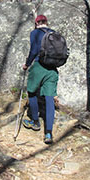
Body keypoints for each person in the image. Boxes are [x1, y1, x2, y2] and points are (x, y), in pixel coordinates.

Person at [22, 14, 58, 144]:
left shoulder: (35, 33)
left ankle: (35, 121)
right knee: (49, 99)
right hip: (53, 69)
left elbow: (33, 51)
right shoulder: (54, 33)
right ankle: (48, 133)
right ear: (47, 22)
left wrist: (27, 64)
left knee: (31, 92)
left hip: (39, 66)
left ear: (37, 23)